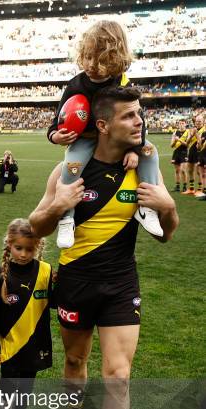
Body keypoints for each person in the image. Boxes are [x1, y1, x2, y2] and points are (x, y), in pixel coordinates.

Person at [29, 86, 179, 409]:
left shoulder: (144, 168)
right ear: (103, 125)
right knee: (76, 360)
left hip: (120, 283)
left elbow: (168, 233)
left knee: (118, 373)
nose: (139, 122)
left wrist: (166, 206)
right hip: (75, 280)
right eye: (130, 116)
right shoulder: (69, 171)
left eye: (139, 115)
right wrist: (58, 205)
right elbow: (36, 228)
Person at [47, 20, 162, 249]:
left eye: (98, 59)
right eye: (87, 57)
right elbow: (56, 122)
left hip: (118, 140)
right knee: (71, 164)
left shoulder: (122, 82)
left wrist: (135, 149)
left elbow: (139, 120)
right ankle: (67, 217)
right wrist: (56, 137)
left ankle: (147, 209)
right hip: (88, 139)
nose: (90, 64)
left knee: (151, 152)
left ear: (114, 58)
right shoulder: (75, 84)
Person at [0, 218, 53, 409]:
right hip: (8, 342)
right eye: (19, 248)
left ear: (38, 247)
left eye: (29, 249)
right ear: (9, 246)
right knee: (8, 382)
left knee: (26, 386)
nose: (24, 254)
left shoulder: (45, 271)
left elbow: (53, 304)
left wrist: (61, 284)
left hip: (36, 343)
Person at [170, 118, 188, 192]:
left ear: (185, 124)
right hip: (176, 153)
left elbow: (187, 144)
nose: (181, 125)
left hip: (184, 153)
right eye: (180, 123)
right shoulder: (175, 132)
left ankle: (184, 187)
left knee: (183, 170)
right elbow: (171, 145)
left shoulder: (188, 132)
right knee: (177, 171)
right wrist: (174, 140)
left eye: (182, 123)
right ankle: (177, 186)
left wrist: (179, 140)